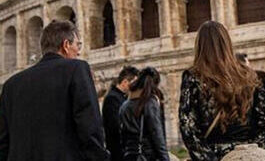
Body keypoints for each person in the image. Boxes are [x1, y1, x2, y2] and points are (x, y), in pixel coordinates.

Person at [0, 20, 109, 160]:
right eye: (78, 45)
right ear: (66, 45)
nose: (79, 51)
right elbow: (90, 128)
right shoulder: (76, 69)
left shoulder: (11, 85)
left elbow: (3, 142)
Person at [179, 21, 265, 160]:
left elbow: (188, 127)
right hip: (246, 156)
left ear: (200, 46)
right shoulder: (247, 74)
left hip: (213, 152)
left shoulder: (193, 77)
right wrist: (249, 149)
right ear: (227, 43)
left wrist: (209, 158)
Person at [118, 67, 170, 161]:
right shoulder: (150, 103)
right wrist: (165, 158)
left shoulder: (125, 105)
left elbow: (122, 136)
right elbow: (157, 135)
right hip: (147, 155)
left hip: (130, 155)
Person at [103, 65, 139, 161]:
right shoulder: (112, 98)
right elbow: (116, 126)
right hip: (118, 151)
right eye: (134, 83)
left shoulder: (121, 97)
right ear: (125, 82)